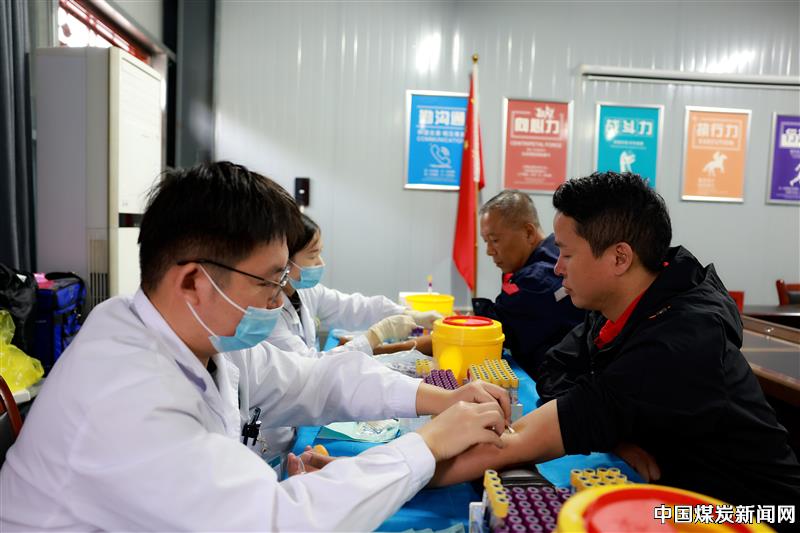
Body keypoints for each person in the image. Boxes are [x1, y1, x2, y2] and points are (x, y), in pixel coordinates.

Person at [0, 161, 511, 531]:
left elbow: (313, 379)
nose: (279, 297)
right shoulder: (125, 395)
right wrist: (426, 446)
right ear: (193, 281)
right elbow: (277, 522)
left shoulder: (199, 335)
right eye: (268, 280)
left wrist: (438, 400)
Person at [432, 172, 800, 512]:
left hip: (747, 513)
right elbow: (557, 367)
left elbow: (510, 445)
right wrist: (611, 430)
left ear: (620, 257)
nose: (557, 268)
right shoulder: (616, 307)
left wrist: (407, 466)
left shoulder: (677, 342)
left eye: (567, 254)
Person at [266, 212, 439, 358]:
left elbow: (353, 307)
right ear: (284, 260)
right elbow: (309, 365)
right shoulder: (269, 314)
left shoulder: (305, 291)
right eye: (312, 256)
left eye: (320, 253)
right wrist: (376, 335)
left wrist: (410, 315)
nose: (320, 263)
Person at [472, 190, 584, 379]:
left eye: (495, 240)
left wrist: (415, 345)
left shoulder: (537, 279)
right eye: (486, 242)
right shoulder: (552, 251)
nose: (489, 251)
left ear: (528, 233)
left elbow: (488, 331)